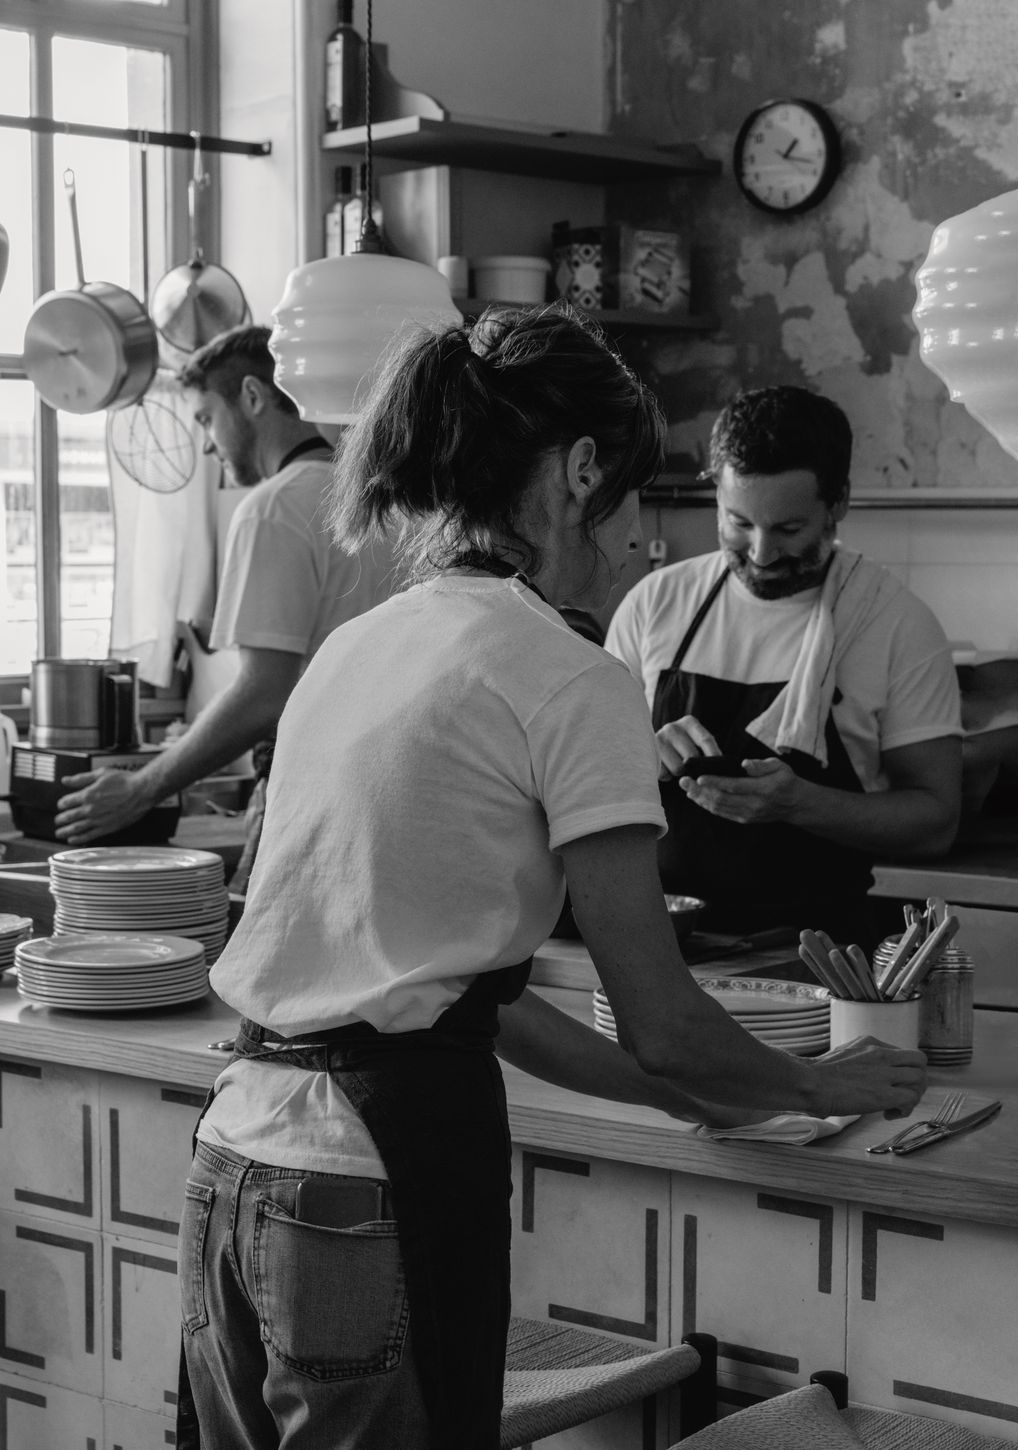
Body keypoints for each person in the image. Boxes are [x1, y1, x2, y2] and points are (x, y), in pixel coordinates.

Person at [175, 308, 926, 1450]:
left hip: (235, 1164)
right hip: (368, 1184)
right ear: (580, 472)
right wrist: (831, 1085)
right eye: (637, 495)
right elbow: (667, 1020)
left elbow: (479, 997)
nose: (641, 540)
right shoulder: (567, 674)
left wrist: (678, 1092)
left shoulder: (364, 643)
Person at [604, 384, 963, 947]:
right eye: (739, 523)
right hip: (666, 943)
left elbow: (935, 822)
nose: (762, 553)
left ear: (838, 504)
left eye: (788, 530)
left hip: (824, 955)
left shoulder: (895, 623)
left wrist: (801, 804)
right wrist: (638, 758)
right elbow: (582, 780)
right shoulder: (656, 604)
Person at [53, 323, 398, 888]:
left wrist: (142, 789)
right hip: (390, 787)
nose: (208, 445)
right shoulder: (379, 503)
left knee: (253, 966)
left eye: (207, 420)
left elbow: (265, 692)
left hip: (311, 788)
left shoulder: (273, 508)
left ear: (253, 398)